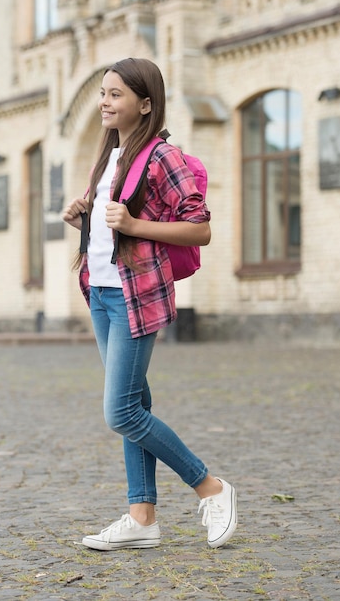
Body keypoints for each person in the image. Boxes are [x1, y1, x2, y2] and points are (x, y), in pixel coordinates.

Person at [62, 57, 237, 551]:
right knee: (135, 402)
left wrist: (133, 225)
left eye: (115, 94)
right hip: (101, 291)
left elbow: (199, 227)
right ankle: (142, 517)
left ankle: (211, 487)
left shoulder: (163, 157)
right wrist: (84, 217)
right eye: (102, 92)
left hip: (136, 298)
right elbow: (114, 227)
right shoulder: (110, 156)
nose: (104, 101)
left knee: (120, 411)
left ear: (145, 104)